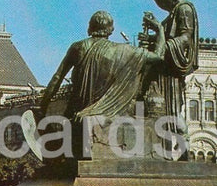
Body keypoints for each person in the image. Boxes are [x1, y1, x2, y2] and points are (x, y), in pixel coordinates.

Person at [22, 10, 166, 161]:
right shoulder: (126, 51)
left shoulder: (78, 47)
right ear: (111, 30)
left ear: (90, 27)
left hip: (78, 112)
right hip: (110, 113)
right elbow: (158, 57)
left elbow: (57, 78)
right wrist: (159, 30)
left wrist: (42, 106)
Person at [131, 0, 199, 125]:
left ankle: (179, 137)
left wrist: (162, 47)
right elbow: (166, 34)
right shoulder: (175, 10)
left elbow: (186, 38)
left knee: (172, 112)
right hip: (164, 67)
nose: (162, 1)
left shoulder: (184, 9)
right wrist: (150, 38)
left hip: (171, 67)